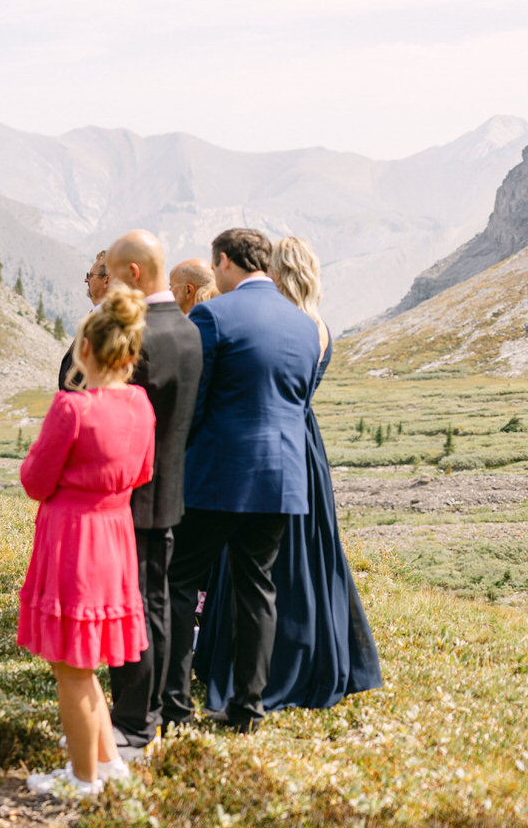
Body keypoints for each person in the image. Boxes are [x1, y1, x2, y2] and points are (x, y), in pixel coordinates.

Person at [192, 237, 383, 712]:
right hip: (298, 450)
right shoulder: (313, 327)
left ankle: (235, 663)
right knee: (295, 561)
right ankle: (297, 660)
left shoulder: (263, 321)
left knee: (251, 565)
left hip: (249, 453)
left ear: (277, 272)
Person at [160, 228, 320, 734]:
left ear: (224, 262)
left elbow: (194, 397)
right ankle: (248, 708)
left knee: (179, 580)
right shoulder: (303, 325)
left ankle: (174, 703)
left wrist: (176, 457)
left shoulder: (213, 314)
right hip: (281, 479)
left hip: (217, 475)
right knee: (258, 589)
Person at [19, 285, 154, 799]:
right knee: (86, 658)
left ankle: (82, 779)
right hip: (115, 536)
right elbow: (142, 473)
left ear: (85, 350)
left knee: (71, 667)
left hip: (73, 539)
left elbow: (35, 481)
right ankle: (106, 762)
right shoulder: (140, 404)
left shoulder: (71, 409)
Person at [103, 231, 202, 758]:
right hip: (168, 492)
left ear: (135, 275)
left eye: (114, 276)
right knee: (158, 605)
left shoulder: (140, 335)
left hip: (130, 497)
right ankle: (155, 713)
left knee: (133, 609)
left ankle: (135, 722)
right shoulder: (187, 331)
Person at [59, 250, 110, 390]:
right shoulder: (94, 317)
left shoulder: (111, 323)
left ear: (106, 280)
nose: (86, 280)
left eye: (90, 275)